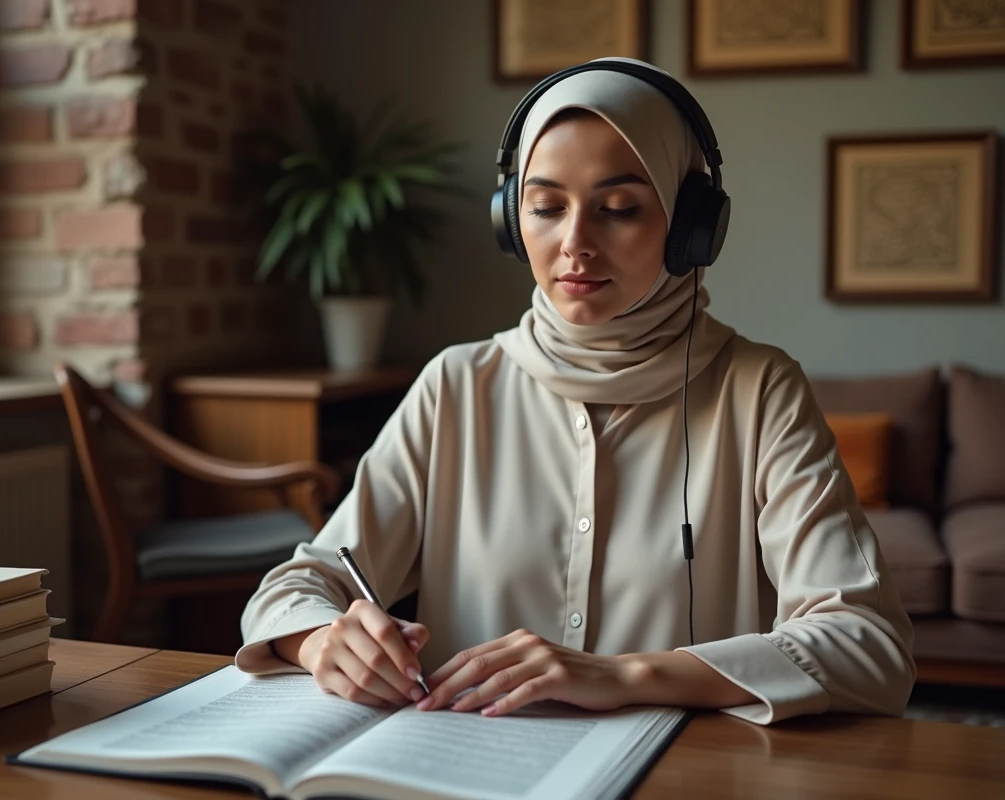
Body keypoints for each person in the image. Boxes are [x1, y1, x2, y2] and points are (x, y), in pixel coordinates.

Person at [235, 57, 916, 726]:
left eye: (619, 208)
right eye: (545, 207)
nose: (574, 243)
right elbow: (297, 587)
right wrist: (325, 641)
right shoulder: (455, 386)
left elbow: (869, 645)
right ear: (512, 220)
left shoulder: (760, 390)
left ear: (690, 229)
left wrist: (625, 675)